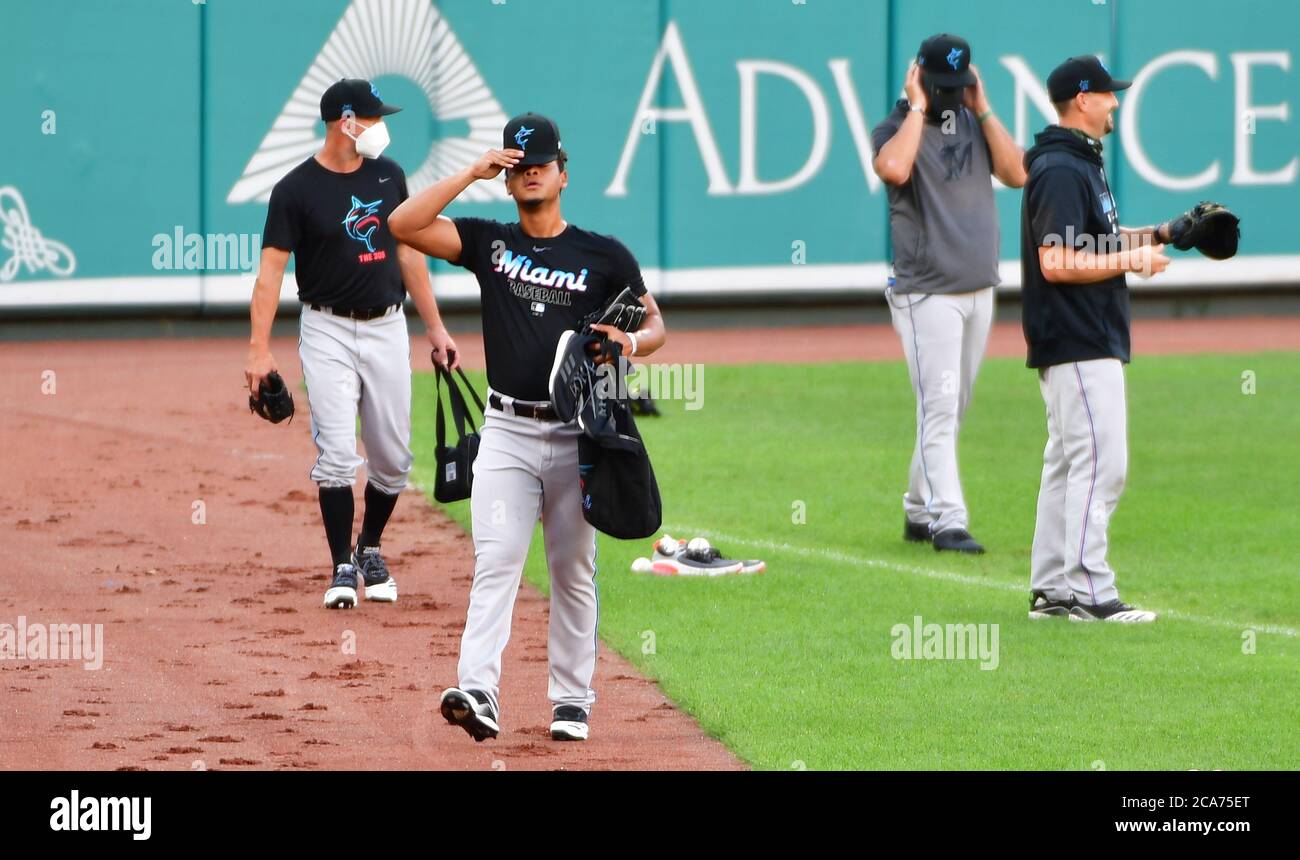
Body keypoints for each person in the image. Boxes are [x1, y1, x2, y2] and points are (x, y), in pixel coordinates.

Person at [389, 113, 667, 742]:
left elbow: (656, 325)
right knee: (497, 560)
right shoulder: (489, 243)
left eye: (541, 163)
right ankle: (479, 691)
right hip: (507, 432)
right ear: (509, 178)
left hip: (577, 434)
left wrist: (631, 341)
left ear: (563, 173)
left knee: (572, 567)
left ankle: (572, 701)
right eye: (520, 165)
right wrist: (469, 173)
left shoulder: (604, 254)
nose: (532, 171)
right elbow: (402, 225)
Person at [245, 78, 459, 610]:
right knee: (338, 454)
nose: (380, 127)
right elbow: (270, 273)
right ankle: (342, 564)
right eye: (372, 117)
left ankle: (370, 547)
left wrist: (435, 327)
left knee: (393, 459)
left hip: (388, 325)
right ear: (346, 122)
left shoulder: (389, 174)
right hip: (327, 329)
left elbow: (410, 254)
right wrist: (258, 348)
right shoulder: (295, 190)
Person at [1021, 56, 1173, 622]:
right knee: (1101, 463)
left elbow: (1090, 239)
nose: (1115, 102)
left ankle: (1054, 589)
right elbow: (1057, 260)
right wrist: (1133, 260)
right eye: (1108, 94)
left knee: (1067, 462)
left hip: (1076, 336)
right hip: (1079, 335)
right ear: (1082, 99)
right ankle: (1089, 591)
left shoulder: (1076, 160)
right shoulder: (1062, 168)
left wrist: (1164, 232)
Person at [871, 34, 1027, 554]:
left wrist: (982, 108)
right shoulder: (897, 126)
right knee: (939, 403)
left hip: (979, 286)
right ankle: (948, 520)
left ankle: (918, 509)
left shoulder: (970, 115)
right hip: (926, 292)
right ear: (919, 77)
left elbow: (1016, 171)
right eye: (945, 87)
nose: (952, 95)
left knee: (952, 405)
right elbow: (893, 168)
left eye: (960, 86)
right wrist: (917, 104)